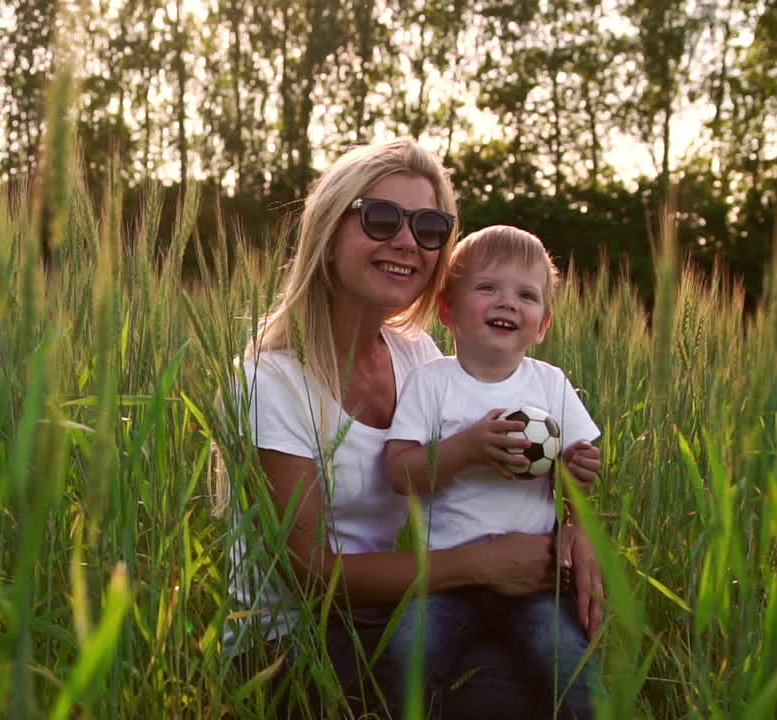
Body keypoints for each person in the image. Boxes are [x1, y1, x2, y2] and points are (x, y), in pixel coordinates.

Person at [221, 138, 604, 718]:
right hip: (293, 642)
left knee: (531, 681)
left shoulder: (419, 357)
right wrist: (481, 563)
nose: (406, 241)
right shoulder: (270, 378)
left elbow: (529, 462)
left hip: (403, 605)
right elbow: (309, 574)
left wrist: (576, 529)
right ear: (328, 232)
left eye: (429, 227)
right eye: (380, 218)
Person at [385, 224, 603, 718]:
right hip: (445, 582)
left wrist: (580, 467)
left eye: (526, 295)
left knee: (571, 660)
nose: (507, 303)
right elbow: (400, 473)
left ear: (542, 324)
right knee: (407, 653)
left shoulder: (550, 384)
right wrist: (468, 449)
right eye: (488, 288)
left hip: (535, 583)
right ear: (448, 310)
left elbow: (576, 477)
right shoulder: (432, 382)